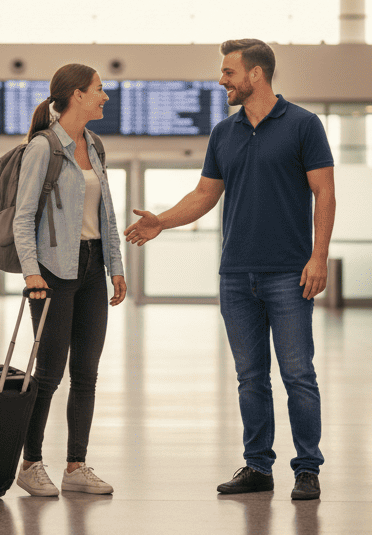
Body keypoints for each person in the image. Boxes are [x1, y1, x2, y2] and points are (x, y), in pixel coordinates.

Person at [125, 39, 335, 501]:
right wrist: (161, 219)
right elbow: (205, 194)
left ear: (255, 74)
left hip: (289, 273)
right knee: (250, 376)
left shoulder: (303, 125)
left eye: (228, 73)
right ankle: (258, 465)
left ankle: (307, 469)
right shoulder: (225, 132)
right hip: (237, 274)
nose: (222, 80)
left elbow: (325, 193)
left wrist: (318, 257)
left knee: (298, 373)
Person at [12, 63, 128, 498]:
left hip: (92, 267)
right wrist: (31, 273)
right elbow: (24, 219)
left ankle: (76, 466)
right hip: (52, 274)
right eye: (100, 90)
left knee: (86, 373)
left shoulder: (95, 145)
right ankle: (30, 462)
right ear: (77, 95)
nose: (105, 96)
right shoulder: (43, 147)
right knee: (48, 374)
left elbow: (107, 213)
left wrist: (115, 266)